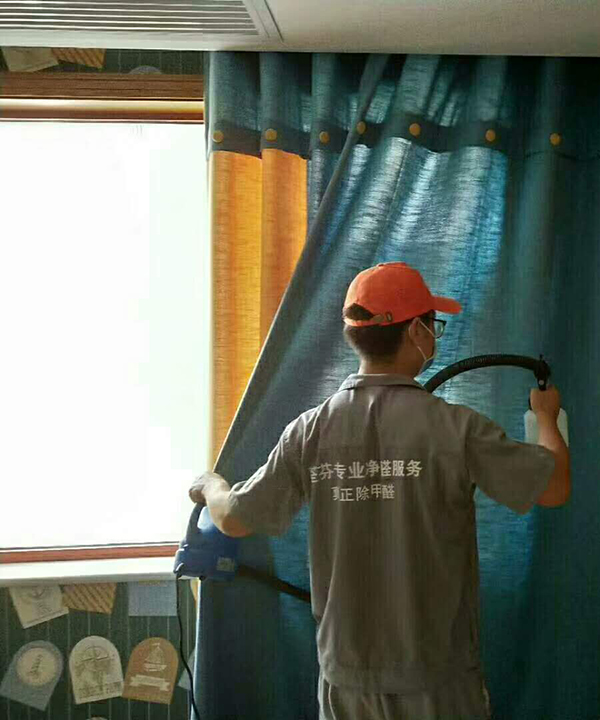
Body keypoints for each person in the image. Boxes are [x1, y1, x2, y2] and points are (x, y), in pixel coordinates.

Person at [189, 261, 571, 720]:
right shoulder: (454, 427)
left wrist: (210, 484)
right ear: (416, 332)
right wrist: (546, 418)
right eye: (433, 324)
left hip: (347, 681)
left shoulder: (310, 431)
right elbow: (553, 487)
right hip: (438, 680)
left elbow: (233, 518)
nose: (434, 334)